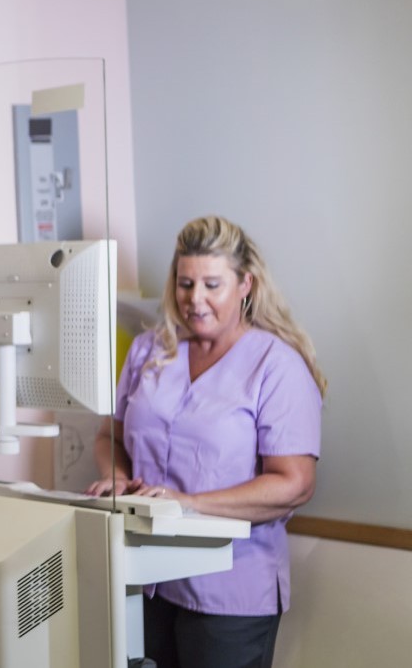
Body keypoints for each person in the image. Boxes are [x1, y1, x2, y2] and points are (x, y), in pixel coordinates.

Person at [87, 215, 326, 668]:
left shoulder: (277, 366)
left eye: (212, 285)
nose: (194, 300)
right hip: (147, 578)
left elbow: (294, 484)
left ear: (245, 285)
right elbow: (108, 437)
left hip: (229, 590)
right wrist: (116, 480)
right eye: (185, 284)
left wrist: (187, 502)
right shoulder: (150, 350)